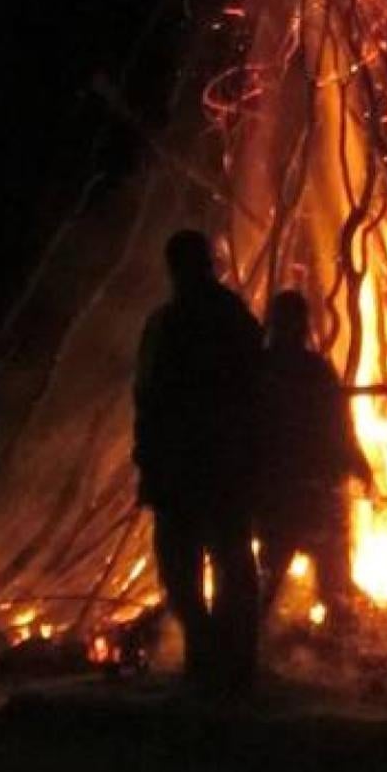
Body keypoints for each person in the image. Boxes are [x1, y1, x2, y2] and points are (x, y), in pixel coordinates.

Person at [133, 229, 264, 693]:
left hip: (199, 467)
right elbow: (148, 399)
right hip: (204, 468)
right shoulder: (225, 321)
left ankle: (222, 659)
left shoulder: (196, 323)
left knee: (199, 566)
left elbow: (148, 398)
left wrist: (150, 460)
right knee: (210, 566)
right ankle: (224, 658)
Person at [254, 291, 372, 630]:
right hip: (295, 489)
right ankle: (262, 642)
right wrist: (353, 459)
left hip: (292, 490)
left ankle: (269, 641)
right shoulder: (292, 369)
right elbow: (338, 424)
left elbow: (338, 421)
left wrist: (355, 459)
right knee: (288, 569)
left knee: (299, 569)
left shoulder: (278, 368)